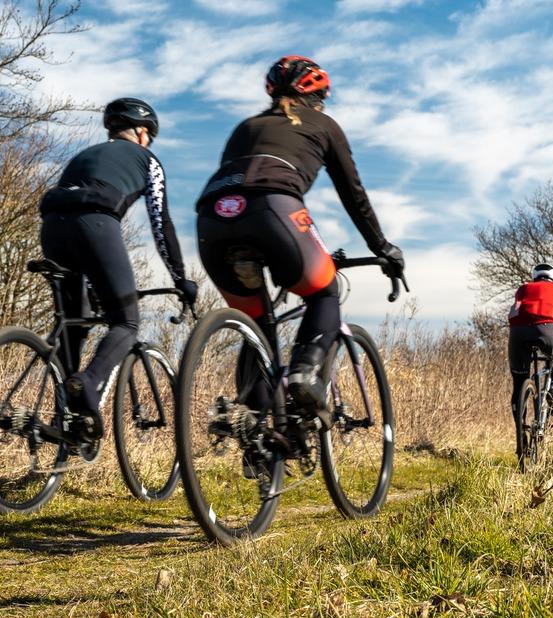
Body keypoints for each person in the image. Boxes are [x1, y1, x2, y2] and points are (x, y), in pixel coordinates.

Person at [195, 55, 404, 432]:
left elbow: (234, 178)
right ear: (318, 96)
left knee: (257, 321)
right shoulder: (324, 124)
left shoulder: (246, 126)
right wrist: (382, 246)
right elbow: (353, 193)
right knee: (325, 290)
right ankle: (305, 375)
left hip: (212, 218)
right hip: (274, 208)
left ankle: (255, 426)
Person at [38, 97, 196, 441]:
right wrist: (181, 278)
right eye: (149, 137)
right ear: (142, 133)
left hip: (51, 226)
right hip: (94, 224)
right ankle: (87, 383)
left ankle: (67, 420)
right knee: (126, 321)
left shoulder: (84, 155)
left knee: (74, 324)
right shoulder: (148, 160)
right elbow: (161, 222)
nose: (149, 143)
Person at [508, 263, 553, 418]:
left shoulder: (523, 289)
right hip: (546, 328)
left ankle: (522, 436)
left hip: (517, 330)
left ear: (535, 277)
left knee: (519, 382)